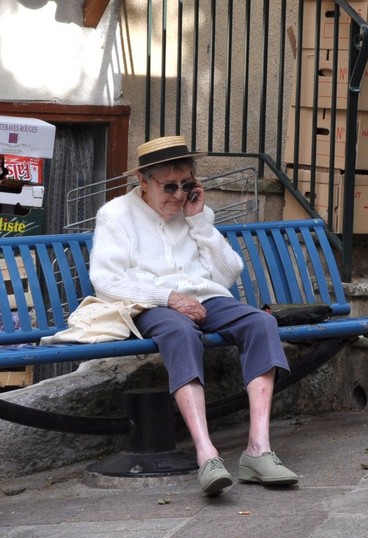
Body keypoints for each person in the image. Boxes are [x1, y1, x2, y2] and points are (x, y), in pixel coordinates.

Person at [89, 135, 299, 496]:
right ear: (143, 181)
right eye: (169, 186)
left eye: (186, 185)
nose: (178, 195)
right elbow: (107, 281)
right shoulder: (116, 214)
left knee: (262, 323)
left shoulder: (194, 212)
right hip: (151, 303)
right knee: (181, 333)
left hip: (206, 298)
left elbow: (227, 274)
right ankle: (206, 454)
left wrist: (200, 222)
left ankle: (258, 449)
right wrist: (167, 296)